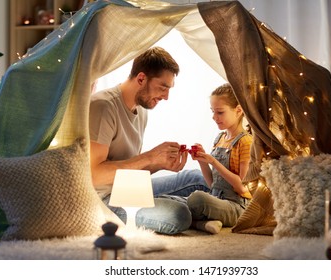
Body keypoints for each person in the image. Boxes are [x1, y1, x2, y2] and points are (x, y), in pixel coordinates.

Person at [89, 47, 209, 234]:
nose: (166, 97)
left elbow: (130, 169)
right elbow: (94, 175)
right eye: (163, 87)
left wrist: (160, 163)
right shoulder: (103, 107)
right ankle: (195, 211)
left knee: (198, 178)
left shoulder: (142, 110)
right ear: (141, 78)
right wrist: (150, 157)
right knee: (178, 215)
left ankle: (196, 209)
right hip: (105, 200)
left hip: (130, 187)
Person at [187, 83, 253, 234]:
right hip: (216, 198)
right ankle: (205, 223)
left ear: (238, 110)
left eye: (220, 112)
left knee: (196, 200)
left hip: (236, 206)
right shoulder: (219, 139)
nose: (214, 117)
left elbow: (242, 187)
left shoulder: (246, 142)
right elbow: (212, 184)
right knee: (173, 201)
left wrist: (213, 161)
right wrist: (202, 161)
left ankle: (199, 222)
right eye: (212, 112)